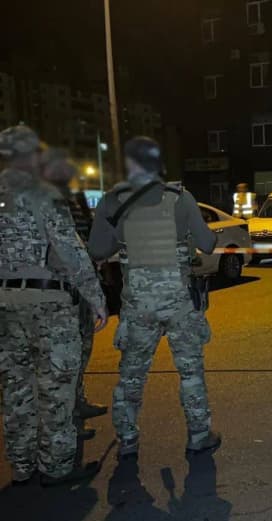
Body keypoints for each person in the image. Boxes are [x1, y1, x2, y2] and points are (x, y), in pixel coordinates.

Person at [87, 136, 221, 460]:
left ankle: (127, 440)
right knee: (190, 372)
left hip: (138, 306)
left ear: (128, 163)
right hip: (179, 303)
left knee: (131, 376)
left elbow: (97, 250)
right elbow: (207, 244)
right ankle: (199, 436)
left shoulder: (112, 201)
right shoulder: (180, 198)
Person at [0, 125, 108, 486]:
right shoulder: (42, 193)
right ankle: (56, 466)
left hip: (4, 305)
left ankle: (21, 464)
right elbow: (70, 250)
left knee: (15, 387)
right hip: (48, 303)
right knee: (55, 387)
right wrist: (96, 297)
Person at [40, 148, 108, 438]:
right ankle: (65, 422)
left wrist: (95, 261)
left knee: (82, 347)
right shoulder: (46, 201)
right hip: (59, 288)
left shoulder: (75, 199)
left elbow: (87, 235)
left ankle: (77, 402)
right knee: (59, 361)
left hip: (81, 282)